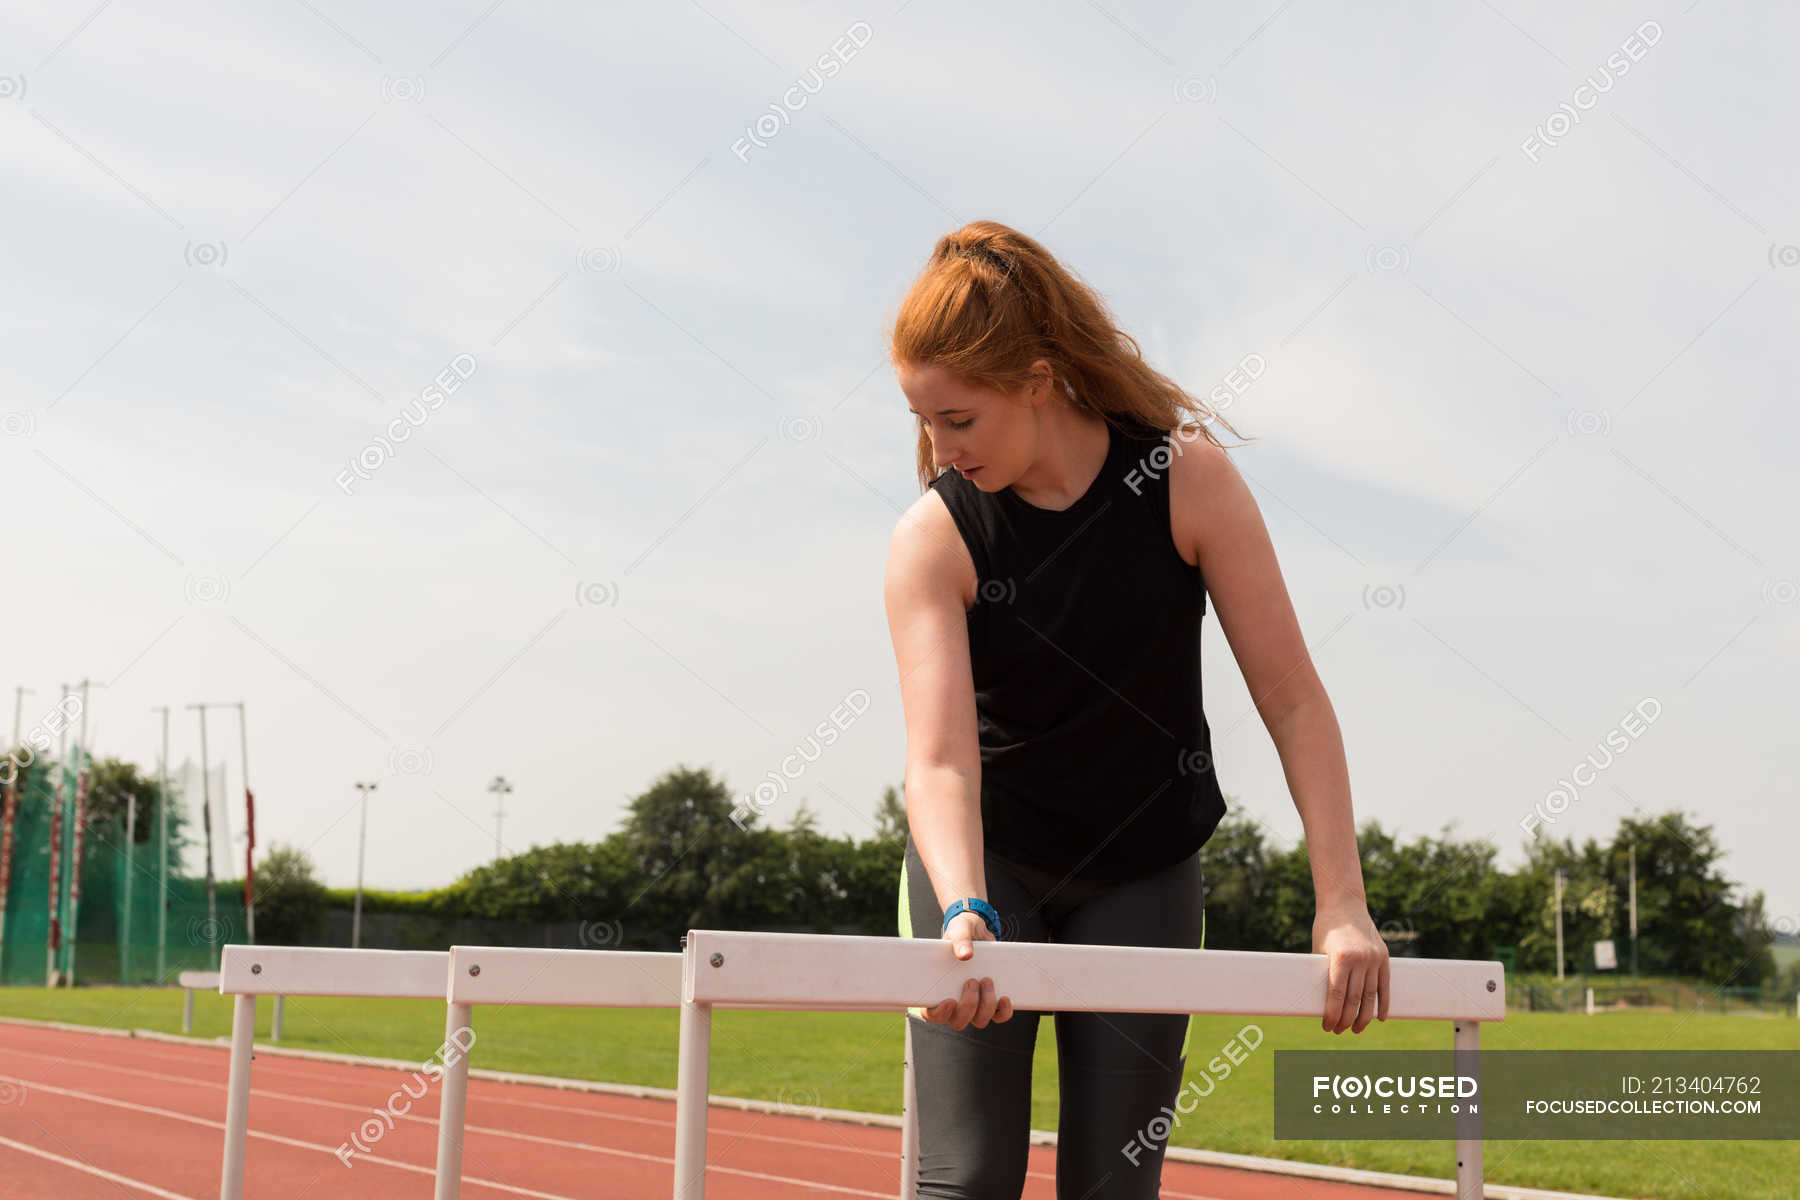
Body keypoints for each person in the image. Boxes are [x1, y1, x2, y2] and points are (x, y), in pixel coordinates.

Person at [882, 221, 1390, 1199]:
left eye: (959, 419)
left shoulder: (1185, 481)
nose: (940, 451)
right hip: (987, 874)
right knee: (969, 1179)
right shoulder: (933, 536)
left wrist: (1343, 908)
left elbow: (1292, 701)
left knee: (1114, 1187)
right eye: (924, 421)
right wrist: (964, 907)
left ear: (1036, 379)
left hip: (1144, 873)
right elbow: (940, 763)